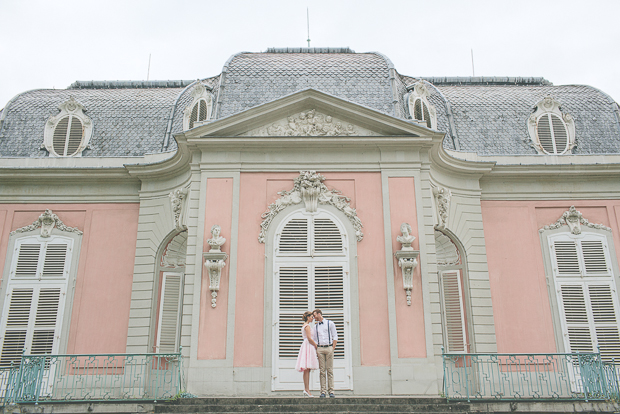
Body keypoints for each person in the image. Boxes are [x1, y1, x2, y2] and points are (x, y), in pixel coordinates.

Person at [313, 309, 338, 398]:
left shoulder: (330, 323)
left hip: (329, 347)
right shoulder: (315, 327)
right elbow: (314, 339)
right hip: (320, 348)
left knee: (330, 370)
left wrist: (332, 348)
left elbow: (335, 336)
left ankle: (331, 391)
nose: (314, 317)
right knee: (322, 371)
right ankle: (323, 391)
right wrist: (317, 349)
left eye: (315, 315)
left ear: (319, 314)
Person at [295, 311, 318, 397]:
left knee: (307, 369)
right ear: (308, 317)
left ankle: (306, 389)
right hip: (308, 345)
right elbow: (309, 338)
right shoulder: (307, 326)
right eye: (311, 317)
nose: (312, 318)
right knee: (307, 369)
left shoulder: (305, 325)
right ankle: (307, 389)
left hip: (307, 345)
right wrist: (316, 345)